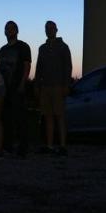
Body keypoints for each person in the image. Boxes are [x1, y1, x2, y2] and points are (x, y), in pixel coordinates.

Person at [34, 20, 72, 156]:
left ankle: (62, 146)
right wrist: (37, 85)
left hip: (58, 86)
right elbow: (39, 68)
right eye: (47, 28)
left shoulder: (63, 47)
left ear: (56, 30)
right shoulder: (42, 48)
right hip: (45, 87)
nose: (49, 30)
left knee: (59, 116)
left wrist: (66, 85)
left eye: (51, 28)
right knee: (48, 116)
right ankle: (49, 146)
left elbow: (68, 67)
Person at [0, 20, 32, 157]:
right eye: (7, 28)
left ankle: (23, 148)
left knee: (20, 118)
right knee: (6, 118)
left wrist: (23, 83)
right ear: (4, 32)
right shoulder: (3, 49)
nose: (9, 30)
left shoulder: (23, 47)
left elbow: (27, 65)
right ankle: (8, 146)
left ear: (17, 31)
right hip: (5, 89)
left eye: (12, 28)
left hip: (17, 86)